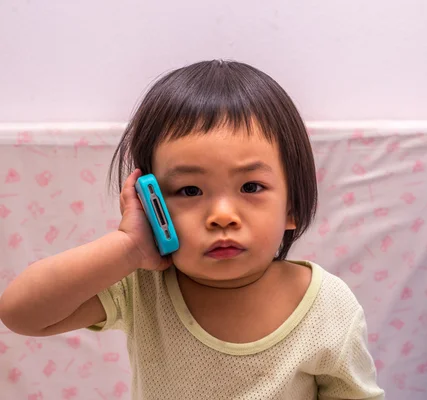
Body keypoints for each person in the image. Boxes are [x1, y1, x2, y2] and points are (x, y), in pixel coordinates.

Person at [0, 60, 385, 399]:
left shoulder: (328, 307)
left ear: (293, 206)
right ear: (152, 202)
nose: (221, 215)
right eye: (189, 190)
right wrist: (128, 247)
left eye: (251, 187)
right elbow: (21, 314)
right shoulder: (142, 286)